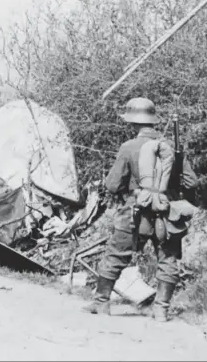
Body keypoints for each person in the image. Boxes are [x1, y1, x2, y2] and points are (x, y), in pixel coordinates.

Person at [83, 97, 198, 322]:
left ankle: (102, 303)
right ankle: (161, 310)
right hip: (167, 212)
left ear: (133, 123)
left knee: (116, 254)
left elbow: (112, 185)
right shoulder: (172, 148)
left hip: (135, 211)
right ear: (153, 121)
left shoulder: (128, 147)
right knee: (168, 259)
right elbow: (192, 182)